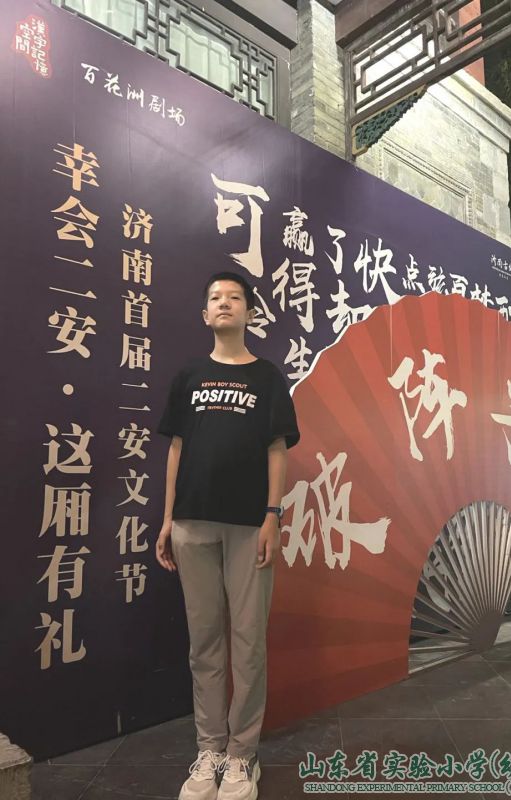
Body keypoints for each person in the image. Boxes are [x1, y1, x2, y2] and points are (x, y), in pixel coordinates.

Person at [155, 271, 300, 800]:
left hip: (248, 527)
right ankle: (210, 749)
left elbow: (277, 450)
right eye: (215, 297)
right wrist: (167, 519)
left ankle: (242, 755)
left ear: (248, 313)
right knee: (205, 644)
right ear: (205, 314)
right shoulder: (189, 376)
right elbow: (176, 450)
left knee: (248, 643)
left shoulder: (267, 377)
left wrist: (273, 515)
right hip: (192, 523)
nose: (224, 303)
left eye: (234, 297)